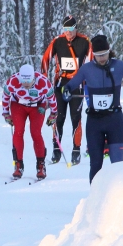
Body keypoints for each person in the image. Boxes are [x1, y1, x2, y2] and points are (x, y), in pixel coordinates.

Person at [62, 35, 123, 183]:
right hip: (95, 122)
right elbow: (71, 84)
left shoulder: (118, 66)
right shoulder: (87, 69)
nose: (102, 58)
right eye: (98, 55)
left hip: (114, 120)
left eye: (104, 54)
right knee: (95, 164)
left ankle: (118, 197)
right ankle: (95, 198)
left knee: (117, 164)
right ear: (93, 55)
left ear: (109, 51)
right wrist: (66, 91)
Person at [41, 15, 93, 165]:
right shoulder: (58, 41)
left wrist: (90, 79)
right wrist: (44, 79)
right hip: (61, 83)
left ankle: (76, 151)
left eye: (71, 29)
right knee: (58, 116)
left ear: (76, 28)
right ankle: (56, 150)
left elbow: (92, 61)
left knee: (76, 117)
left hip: (77, 83)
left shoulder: (85, 41)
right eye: (65, 29)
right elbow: (45, 59)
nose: (68, 33)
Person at [2, 64, 57, 181]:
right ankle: (18, 164)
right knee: (18, 131)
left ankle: (40, 165)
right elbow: (5, 96)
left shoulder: (43, 82)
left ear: (34, 77)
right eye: (23, 80)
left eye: (29, 80)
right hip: (18, 105)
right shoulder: (13, 81)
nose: (25, 84)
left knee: (35, 133)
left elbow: (52, 98)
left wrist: (53, 114)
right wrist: (6, 113)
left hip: (38, 106)